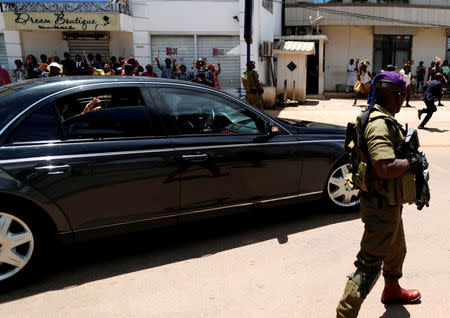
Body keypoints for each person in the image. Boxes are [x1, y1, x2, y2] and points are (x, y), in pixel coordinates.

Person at [336, 71, 423, 318]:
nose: (403, 101)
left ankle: (392, 289)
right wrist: (410, 161)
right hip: (380, 206)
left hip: (389, 203)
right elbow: (384, 168)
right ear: (394, 96)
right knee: (368, 265)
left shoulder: (380, 117)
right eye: (402, 95)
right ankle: (344, 314)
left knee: (397, 250)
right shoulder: (378, 124)